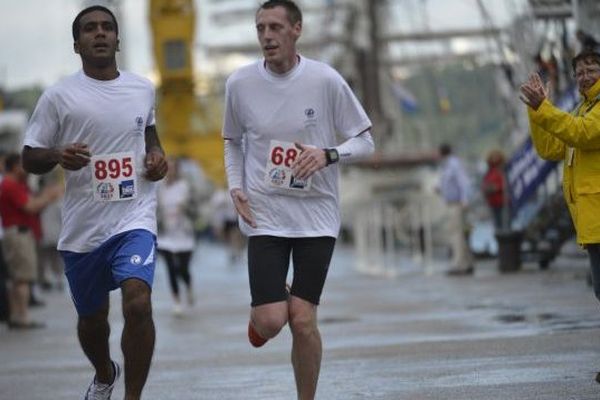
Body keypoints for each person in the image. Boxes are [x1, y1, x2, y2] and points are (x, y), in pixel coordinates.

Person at [222, 1, 374, 398]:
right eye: (260, 29)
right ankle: (269, 310)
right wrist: (235, 186)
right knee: (273, 322)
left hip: (317, 216)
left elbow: (365, 141)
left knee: (303, 321)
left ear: (296, 30)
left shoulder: (325, 80)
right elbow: (232, 142)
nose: (267, 36)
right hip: (265, 215)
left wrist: (328, 154)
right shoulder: (240, 83)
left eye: (275, 27)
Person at [20, 5, 167, 400]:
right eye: (90, 29)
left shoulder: (141, 87)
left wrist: (156, 156)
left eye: (107, 27)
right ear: (76, 44)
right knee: (92, 320)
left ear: (118, 39)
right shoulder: (58, 97)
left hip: (134, 215)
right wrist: (57, 155)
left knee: (138, 303)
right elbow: (28, 157)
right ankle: (104, 372)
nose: (99, 34)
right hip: (84, 227)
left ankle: (132, 395)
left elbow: (148, 132)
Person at [519, 49, 600, 382]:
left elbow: (581, 133)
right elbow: (551, 148)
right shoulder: (583, 108)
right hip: (591, 221)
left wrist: (545, 109)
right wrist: (537, 114)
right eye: (580, 72)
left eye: (592, 69)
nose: (585, 76)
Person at [0, 153, 62, 329]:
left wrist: (43, 197)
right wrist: (49, 197)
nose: (26, 169)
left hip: (17, 233)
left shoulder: (15, 184)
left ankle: (15, 315)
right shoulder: (11, 185)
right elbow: (30, 206)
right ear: (14, 167)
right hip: (19, 234)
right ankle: (23, 317)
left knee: (17, 278)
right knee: (23, 278)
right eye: (22, 165)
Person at [157, 157, 196, 317]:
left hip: (183, 232)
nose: (171, 171)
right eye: (168, 168)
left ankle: (188, 286)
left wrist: (184, 206)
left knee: (183, 268)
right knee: (171, 268)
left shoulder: (184, 186)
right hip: (166, 234)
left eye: (173, 168)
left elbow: (193, 206)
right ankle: (177, 301)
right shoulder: (159, 188)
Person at [438, 143, 474, 276]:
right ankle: (467, 262)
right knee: (460, 235)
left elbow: (462, 181)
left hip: (456, 203)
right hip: (452, 202)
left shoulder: (452, 164)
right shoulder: (448, 164)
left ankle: (459, 264)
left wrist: (464, 199)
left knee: (456, 234)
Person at [481, 149, 508, 231]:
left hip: (503, 202)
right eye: (493, 157)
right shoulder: (489, 171)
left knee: (504, 223)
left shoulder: (503, 169)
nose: (494, 159)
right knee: (497, 225)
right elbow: (484, 185)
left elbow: (504, 185)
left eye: (496, 157)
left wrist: (494, 188)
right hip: (493, 202)